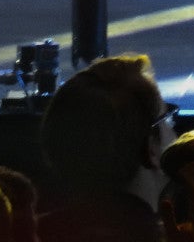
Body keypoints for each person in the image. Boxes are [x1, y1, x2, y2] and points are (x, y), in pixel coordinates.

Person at [36, 54, 174, 242]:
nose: (174, 132)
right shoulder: (181, 235)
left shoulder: (29, 232)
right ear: (150, 148)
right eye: (167, 119)